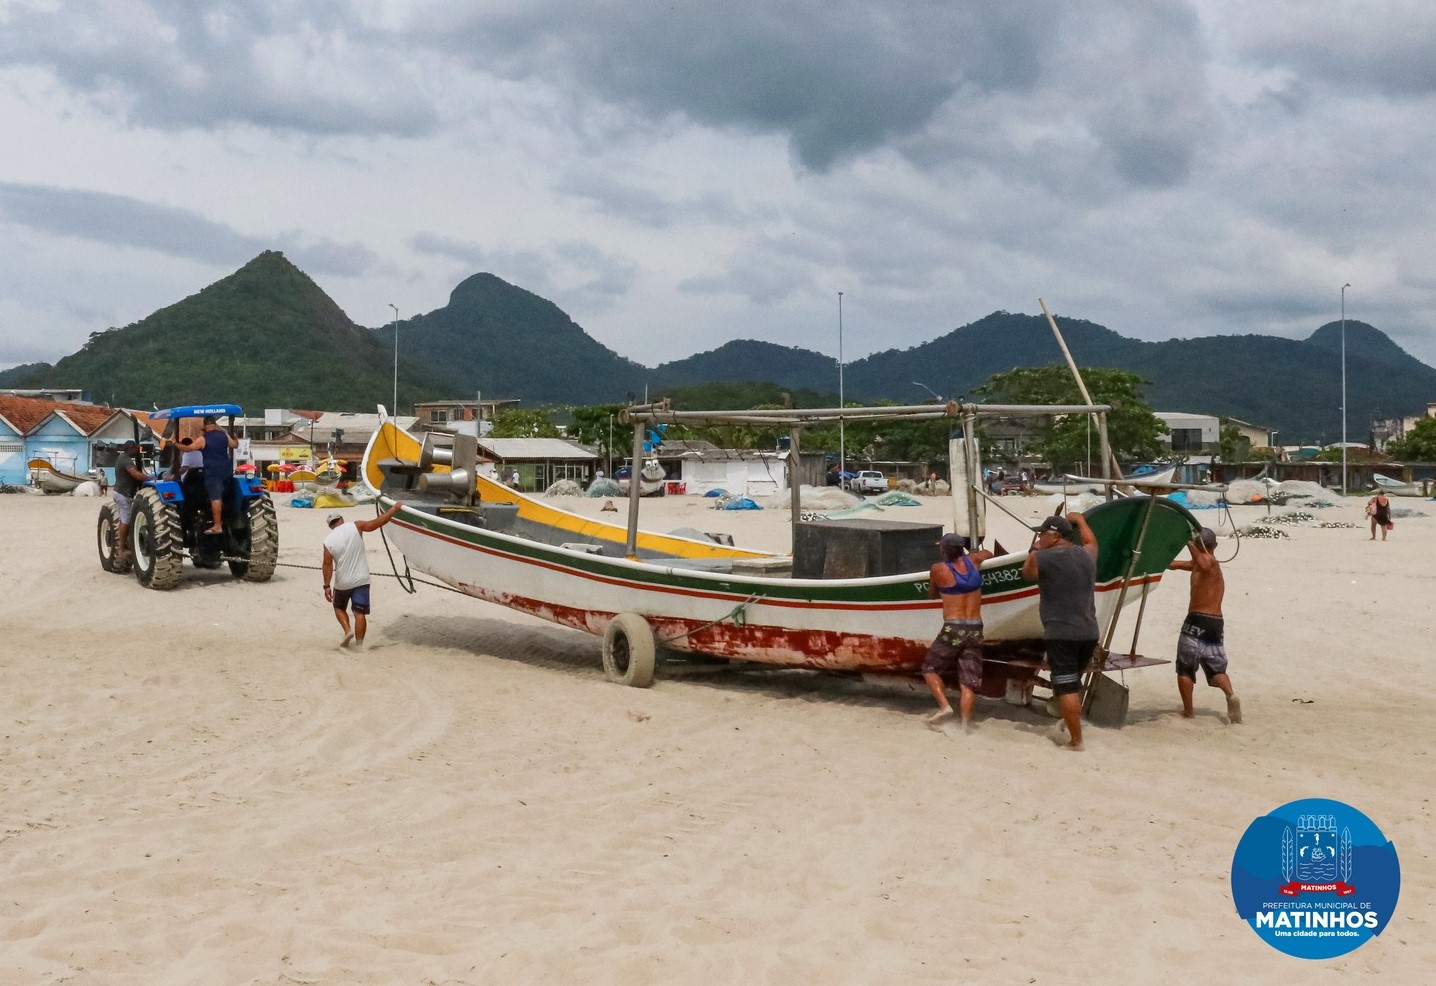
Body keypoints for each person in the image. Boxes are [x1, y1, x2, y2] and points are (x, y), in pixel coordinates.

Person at [1021, 512, 1099, 751]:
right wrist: (1082, 521)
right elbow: (1091, 542)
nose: (1039, 537)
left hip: (1061, 632)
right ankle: (1070, 722)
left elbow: (1027, 574)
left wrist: (1033, 550)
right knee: (1073, 683)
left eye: (1042, 533)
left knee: (1065, 687)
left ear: (1054, 536)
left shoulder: (1042, 557)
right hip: (1089, 631)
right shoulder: (1087, 555)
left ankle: (1077, 742)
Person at [1167, 528, 1241, 724]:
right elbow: (1174, 565)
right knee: (1216, 669)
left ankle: (1188, 711)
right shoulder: (1202, 566)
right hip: (1216, 623)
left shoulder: (1209, 563)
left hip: (1197, 620)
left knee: (1185, 668)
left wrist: (1189, 541)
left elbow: (1202, 560)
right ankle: (1230, 694)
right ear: (1215, 545)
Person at [922, 533, 995, 732]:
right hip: (976, 628)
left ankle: (945, 707)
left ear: (944, 550)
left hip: (953, 627)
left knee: (929, 668)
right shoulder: (974, 560)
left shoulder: (938, 569)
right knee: (967, 681)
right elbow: (988, 553)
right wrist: (975, 555)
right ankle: (964, 726)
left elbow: (932, 595)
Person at [322, 502, 404, 650]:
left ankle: (347, 630)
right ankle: (359, 645)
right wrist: (393, 510)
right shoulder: (355, 526)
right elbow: (375, 524)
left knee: (339, 607)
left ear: (331, 526)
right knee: (359, 612)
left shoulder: (328, 541)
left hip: (343, 582)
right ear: (341, 519)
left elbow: (327, 564)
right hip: (361, 579)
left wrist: (326, 586)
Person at [110, 440, 153, 564]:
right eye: (135, 449)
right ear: (130, 448)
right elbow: (135, 474)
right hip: (123, 494)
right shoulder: (126, 459)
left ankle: (125, 545)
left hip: (121, 493)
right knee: (126, 520)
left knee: (126, 520)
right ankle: (121, 549)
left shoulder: (123, 458)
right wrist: (150, 478)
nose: (137, 451)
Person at [194, 416, 238, 534]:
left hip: (213, 473)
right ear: (215, 424)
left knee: (215, 497)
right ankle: (225, 518)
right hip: (227, 472)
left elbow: (188, 449)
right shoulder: (224, 435)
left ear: (204, 426)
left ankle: (217, 525)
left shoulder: (202, 440)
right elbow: (234, 445)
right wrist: (236, 438)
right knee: (222, 493)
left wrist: (178, 445)